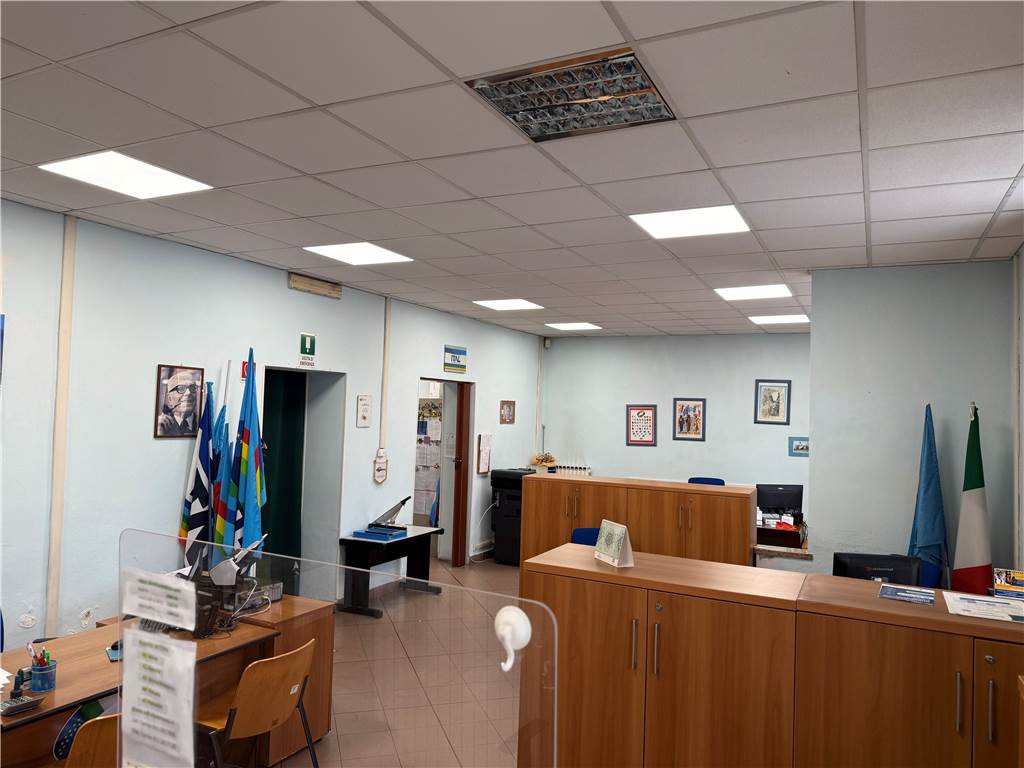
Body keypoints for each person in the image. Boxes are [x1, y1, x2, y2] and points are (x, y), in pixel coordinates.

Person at [157, 369, 199, 436]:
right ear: (170, 399)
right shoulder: (162, 425)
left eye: (192, 388)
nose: (188, 393)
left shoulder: (203, 424)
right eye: (181, 388)